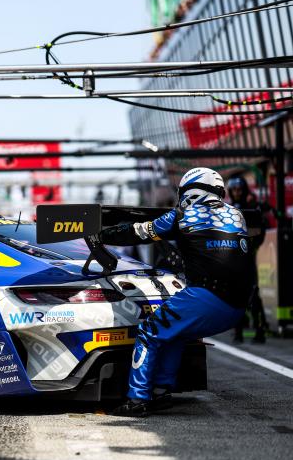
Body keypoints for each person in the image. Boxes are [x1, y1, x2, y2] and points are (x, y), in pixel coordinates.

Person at [91, 167, 253, 417]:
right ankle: (161, 392)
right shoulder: (237, 215)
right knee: (176, 332)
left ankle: (137, 399)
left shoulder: (182, 214)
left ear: (189, 190)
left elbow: (138, 233)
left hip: (206, 297)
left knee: (148, 332)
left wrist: (102, 235)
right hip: (240, 306)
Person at [226, 174, 269, 344]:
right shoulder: (227, 209)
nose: (237, 192)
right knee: (235, 295)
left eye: (239, 189)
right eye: (234, 189)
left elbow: (261, 232)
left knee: (253, 295)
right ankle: (238, 332)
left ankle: (260, 330)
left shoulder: (252, 209)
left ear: (244, 190)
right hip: (232, 260)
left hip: (247, 259)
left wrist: (251, 246)